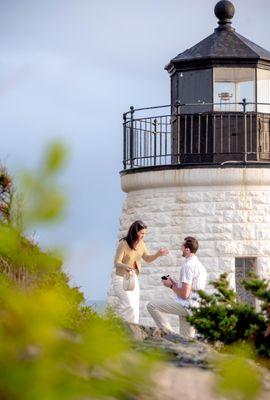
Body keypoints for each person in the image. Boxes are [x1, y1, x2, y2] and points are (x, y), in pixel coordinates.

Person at [147, 236, 207, 338]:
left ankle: (170, 335)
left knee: (151, 305)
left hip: (187, 306)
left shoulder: (188, 266)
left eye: (182, 247)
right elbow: (190, 289)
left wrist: (170, 285)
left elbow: (184, 294)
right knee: (186, 341)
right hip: (195, 308)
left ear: (187, 249)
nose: (181, 249)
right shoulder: (201, 267)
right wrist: (174, 283)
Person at [113, 220, 169, 324]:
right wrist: (125, 266)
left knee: (134, 306)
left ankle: (133, 332)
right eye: (142, 233)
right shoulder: (123, 243)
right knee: (128, 305)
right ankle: (121, 330)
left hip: (133, 278)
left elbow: (147, 258)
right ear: (135, 231)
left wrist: (158, 254)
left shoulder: (142, 244)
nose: (143, 235)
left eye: (145, 233)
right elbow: (116, 262)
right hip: (121, 278)